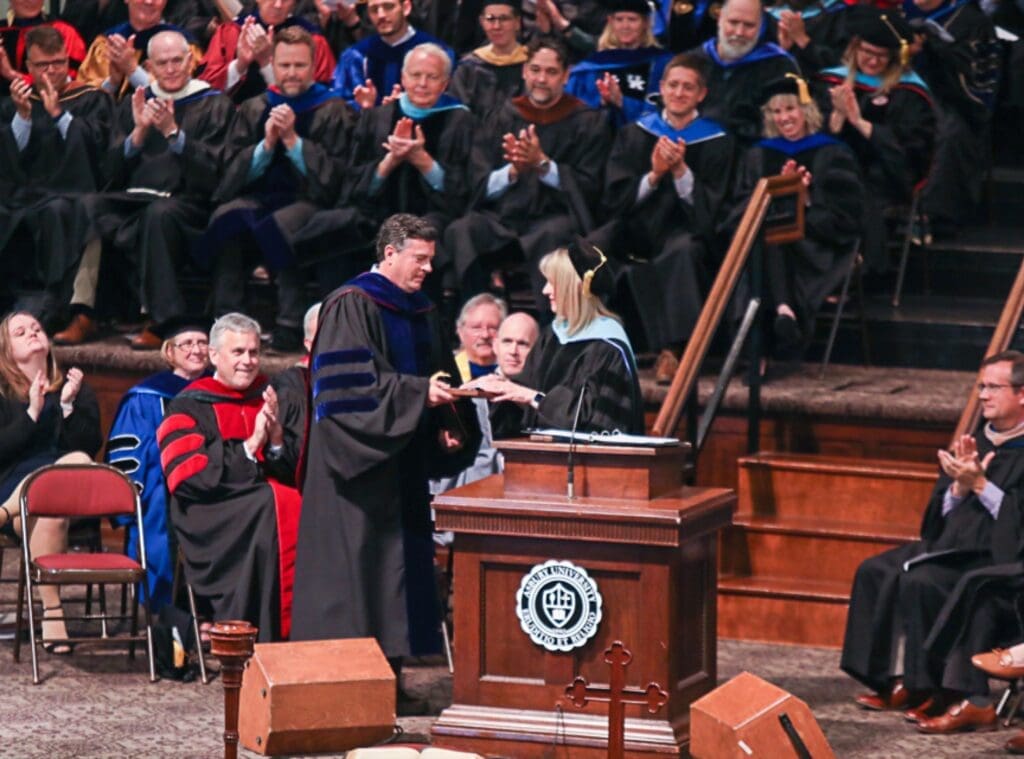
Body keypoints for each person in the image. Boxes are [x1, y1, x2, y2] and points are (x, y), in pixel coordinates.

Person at [291, 214, 481, 705]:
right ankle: (346, 693)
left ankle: (390, 687)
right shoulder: (352, 304)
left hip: (401, 466)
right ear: (390, 253)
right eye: (419, 258)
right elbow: (346, 394)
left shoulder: (420, 309)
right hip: (355, 474)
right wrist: (421, 395)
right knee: (358, 582)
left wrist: (449, 425)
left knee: (396, 583)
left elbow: (439, 376)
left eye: (431, 259)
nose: (427, 269)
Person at [840, 350, 1024, 731]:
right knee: (875, 570)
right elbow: (936, 520)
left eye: (993, 387)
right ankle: (887, 679)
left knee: (921, 579)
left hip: (993, 554)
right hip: (952, 541)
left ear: (1022, 394)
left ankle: (935, 689)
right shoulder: (974, 441)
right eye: (981, 386)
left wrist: (982, 486)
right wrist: (958, 487)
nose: (983, 395)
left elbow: (1017, 527)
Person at [56, 29, 234, 348]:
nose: (170, 69)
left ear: (190, 60)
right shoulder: (135, 103)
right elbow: (109, 172)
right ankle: (85, 312)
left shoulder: (214, 104)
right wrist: (137, 134)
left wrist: (173, 134)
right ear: (149, 66)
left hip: (187, 202)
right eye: (162, 63)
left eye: (177, 61)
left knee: (158, 214)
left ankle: (160, 319)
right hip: (134, 196)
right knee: (89, 206)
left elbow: (215, 172)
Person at [201, 26, 355, 352]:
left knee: (280, 227)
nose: (292, 73)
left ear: (314, 66)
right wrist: (268, 143)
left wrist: (292, 141)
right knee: (227, 218)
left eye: (300, 65)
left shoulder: (332, 108)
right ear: (273, 62)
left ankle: (289, 324)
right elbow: (231, 172)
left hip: (310, 199)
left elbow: (336, 179)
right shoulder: (257, 106)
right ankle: (227, 321)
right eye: (284, 65)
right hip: (259, 197)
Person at [157, 312, 303, 642]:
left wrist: (277, 438)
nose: (248, 361)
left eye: (253, 352)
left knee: (302, 501)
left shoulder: (270, 396)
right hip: (209, 516)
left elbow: (296, 465)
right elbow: (189, 479)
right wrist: (251, 445)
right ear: (214, 355)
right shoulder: (187, 407)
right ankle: (254, 628)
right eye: (238, 352)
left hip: (262, 508)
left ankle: (302, 629)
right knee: (274, 501)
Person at [444, 36, 612, 316]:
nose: (541, 79)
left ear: (566, 75)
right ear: (524, 71)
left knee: (553, 236)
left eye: (551, 72)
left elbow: (591, 186)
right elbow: (476, 179)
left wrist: (543, 165)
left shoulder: (586, 121)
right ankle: (477, 322)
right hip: (503, 219)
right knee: (463, 231)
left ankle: (551, 327)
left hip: (553, 218)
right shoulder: (501, 116)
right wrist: (513, 171)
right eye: (535, 70)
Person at [593, 52, 734, 384]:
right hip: (638, 227)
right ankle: (590, 342)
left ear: (702, 94)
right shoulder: (635, 133)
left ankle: (674, 351)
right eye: (673, 85)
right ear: (662, 89)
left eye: (688, 87)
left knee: (681, 251)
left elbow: (715, 209)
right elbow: (614, 197)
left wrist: (682, 171)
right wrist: (655, 175)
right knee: (590, 247)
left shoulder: (717, 141)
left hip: (687, 229)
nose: (679, 93)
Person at [294, 42, 474, 299]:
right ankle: (334, 311)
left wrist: (422, 159)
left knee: (419, 236)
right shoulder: (377, 117)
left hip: (432, 215)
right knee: (332, 226)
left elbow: (463, 190)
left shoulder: (460, 121)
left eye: (432, 77)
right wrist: (390, 160)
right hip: (376, 211)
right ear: (403, 77)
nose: (422, 83)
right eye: (415, 75)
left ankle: (424, 320)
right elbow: (352, 182)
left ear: (445, 83)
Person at [730, 75, 863, 369]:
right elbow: (738, 209)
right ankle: (784, 311)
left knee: (762, 249)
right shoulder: (758, 154)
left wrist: (804, 199)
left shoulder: (832, 152)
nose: (784, 118)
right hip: (766, 246)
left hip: (815, 248)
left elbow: (846, 219)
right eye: (776, 112)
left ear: (807, 111)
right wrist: (772, 195)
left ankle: (759, 352)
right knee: (762, 240)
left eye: (791, 109)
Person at [0, 311, 102, 654]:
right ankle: (53, 614)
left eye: (37, 328)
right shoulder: (1, 393)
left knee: (78, 464)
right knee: (50, 507)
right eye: (21, 331)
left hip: (68, 495)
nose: (32, 333)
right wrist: (32, 411)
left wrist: (69, 405)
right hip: (14, 484)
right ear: (6, 349)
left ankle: (3, 512)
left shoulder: (75, 388)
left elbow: (89, 445)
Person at [0, 27, 112, 329]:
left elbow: (101, 147)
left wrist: (60, 115)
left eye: (58, 63)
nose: (51, 72)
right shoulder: (16, 102)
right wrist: (23, 117)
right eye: (41, 65)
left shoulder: (91, 98)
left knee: (64, 211)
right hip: (25, 194)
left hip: (77, 191)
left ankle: (59, 309)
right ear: (28, 67)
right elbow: (10, 160)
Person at [471, 239, 643, 435]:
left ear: (573, 288)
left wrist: (533, 398)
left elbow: (600, 426)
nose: (545, 290)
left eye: (552, 283)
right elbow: (522, 395)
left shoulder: (609, 347)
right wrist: (491, 389)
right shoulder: (552, 336)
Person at [816, 6, 935, 272]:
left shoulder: (909, 91)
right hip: (833, 172)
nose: (872, 61)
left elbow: (911, 153)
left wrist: (860, 123)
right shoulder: (831, 81)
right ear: (854, 48)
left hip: (883, 178)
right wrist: (837, 114)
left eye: (881, 56)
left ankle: (852, 269)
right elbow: (815, 139)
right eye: (867, 52)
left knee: (850, 191)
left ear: (894, 58)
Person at [105, 317, 210, 614]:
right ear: (169, 352)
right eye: (186, 343)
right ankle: (168, 619)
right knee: (158, 509)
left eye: (202, 342)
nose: (196, 349)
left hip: (214, 486)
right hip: (163, 490)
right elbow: (130, 455)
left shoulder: (221, 390)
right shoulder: (146, 396)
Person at [907, 0, 999, 235]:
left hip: (953, 102)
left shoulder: (972, 21)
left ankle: (933, 215)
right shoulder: (896, 15)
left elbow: (979, 84)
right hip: (902, 97)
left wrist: (936, 49)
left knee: (949, 133)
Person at [688, 0, 799, 145]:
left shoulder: (779, 67)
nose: (739, 32)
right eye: (733, 22)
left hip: (751, 158)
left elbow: (786, 126)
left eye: (749, 25)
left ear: (761, 26)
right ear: (720, 18)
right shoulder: (691, 62)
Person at [199, 0, 337, 104]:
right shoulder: (232, 32)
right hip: (237, 125)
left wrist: (266, 63)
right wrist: (240, 65)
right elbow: (206, 91)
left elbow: (323, 97)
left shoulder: (312, 38)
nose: (278, 5)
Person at [565, 0, 670, 127]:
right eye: (619, 19)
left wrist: (622, 101)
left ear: (646, 23)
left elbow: (665, 112)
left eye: (632, 19)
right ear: (610, 22)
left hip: (644, 141)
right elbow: (573, 110)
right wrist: (602, 102)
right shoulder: (592, 65)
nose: (625, 26)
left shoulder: (661, 64)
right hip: (597, 141)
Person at [332, 0, 455, 110]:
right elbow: (343, 103)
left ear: (406, 7)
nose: (381, 15)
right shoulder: (357, 55)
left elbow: (449, 102)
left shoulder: (437, 54)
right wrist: (366, 109)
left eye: (389, 6)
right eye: (374, 9)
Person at [76, 0, 203, 100]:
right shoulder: (107, 43)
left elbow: (181, 97)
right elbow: (84, 100)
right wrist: (113, 82)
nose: (149, 1)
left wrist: (132, 70)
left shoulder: (182, 46)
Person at [448, 0, 527, 120]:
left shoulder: (531, 65)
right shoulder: (468, 67)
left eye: (504, 19)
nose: (497, 26)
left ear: (517, 22)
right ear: (482, 22)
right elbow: (457, 114)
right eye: (490, 19)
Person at [0, 0, 87, 96]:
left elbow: (66, 81)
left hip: (51, 104)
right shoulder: (2, 31)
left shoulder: (64, 32)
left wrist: (12, 75)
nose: (31, 1)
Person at [453, 293, 506, 382]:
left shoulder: (517, 374)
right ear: (460, 332)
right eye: (476, 328)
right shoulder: (447, 372)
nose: (485, 335)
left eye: (493, 328)